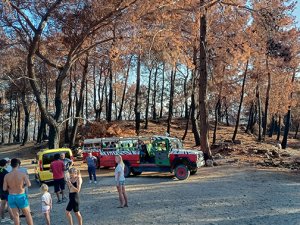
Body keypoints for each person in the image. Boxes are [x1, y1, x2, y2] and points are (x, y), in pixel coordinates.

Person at [3, 158, 33, 225]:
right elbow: (29, 184)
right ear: (18, 165)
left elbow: (4, 188)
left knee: (16, 216)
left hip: (11, 196)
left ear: (11, 165)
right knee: (27, 214)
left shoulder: (6, 176)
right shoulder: (22, 174)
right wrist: (23, 185)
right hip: (21, 195)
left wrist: (10, 187)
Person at [0, 159, 13, 224]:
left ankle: (2, 218)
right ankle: (12, 219)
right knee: (9, 205)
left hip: (0, 190)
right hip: (6, 190)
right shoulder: (5, 172)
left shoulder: (0, 170)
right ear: (5, 164)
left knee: (2, 204)